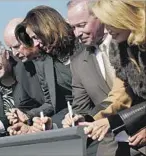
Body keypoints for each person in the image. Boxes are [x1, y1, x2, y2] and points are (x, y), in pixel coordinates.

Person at [78, 0, 146, 149]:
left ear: (125, 15)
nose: (107, 30)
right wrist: (89, 119)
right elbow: (120, 95)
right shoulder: (120, 49)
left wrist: (116, 121)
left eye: (109, 22)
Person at [13, 5, 79, 127]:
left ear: (48, 28)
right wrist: (28, 116)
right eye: (32, 39)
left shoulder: (82, 45)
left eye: (36, 37)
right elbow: (52, 103)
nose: (36, 44)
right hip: (74, 118)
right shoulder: (44, 62)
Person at [3, 18, 45, 122]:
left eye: (17, 46)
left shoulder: (52, 56)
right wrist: (20, 115)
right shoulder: (20, 68)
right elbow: (26, 104)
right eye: (10, 48)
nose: (14, 53)